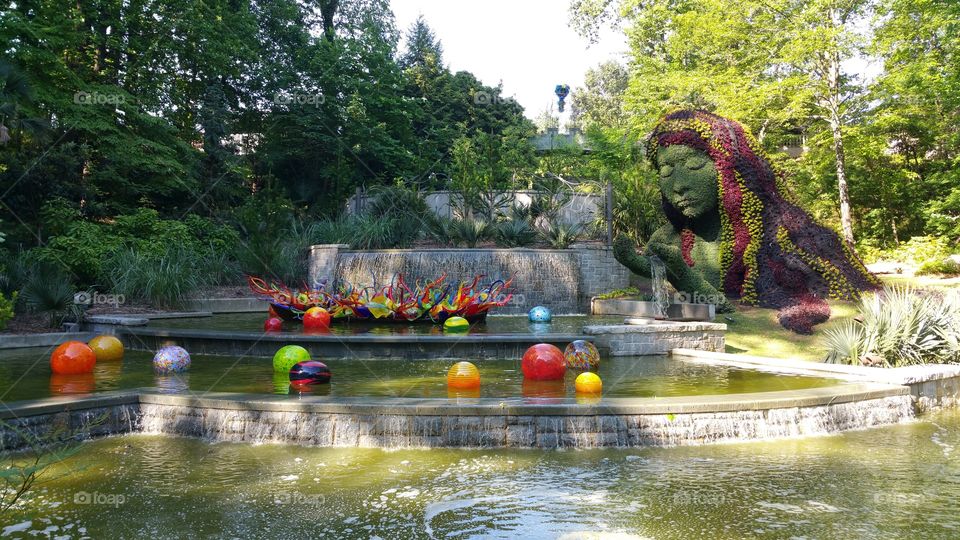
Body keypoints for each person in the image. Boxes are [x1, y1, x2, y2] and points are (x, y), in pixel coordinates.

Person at [614, 110, 879, 333]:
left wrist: (679, 271)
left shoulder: (766, 238)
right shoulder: (669, 236)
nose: (679, 185)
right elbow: (653, 265)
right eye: (666, 171)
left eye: (694, 166)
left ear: (728, 169)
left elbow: (722, 306)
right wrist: (633, 260)